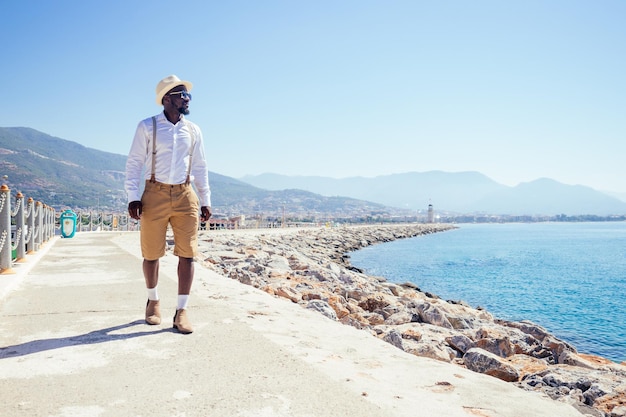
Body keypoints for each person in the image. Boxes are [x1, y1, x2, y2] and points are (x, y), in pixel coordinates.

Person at [124, 75, 211, 334]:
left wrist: (205, 199)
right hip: (154, 193)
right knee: (151, 254)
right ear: (166, 99)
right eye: (181, 94)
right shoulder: (147, 126)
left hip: (186, 194)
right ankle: (153, 301)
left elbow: (201, 166)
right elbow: (134, 163)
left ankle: (181, 310)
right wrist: (133, 196)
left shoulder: (194, 130)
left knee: (188, 254)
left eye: (187, 95)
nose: (186, 99)